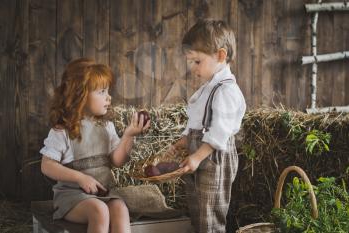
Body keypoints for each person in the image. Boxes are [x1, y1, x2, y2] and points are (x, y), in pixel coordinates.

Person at [40, 58, 150, 233]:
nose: (109, 97)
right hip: (72, 197)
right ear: (80, 95)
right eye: (102, 92)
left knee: (120, 208)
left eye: (108, 91)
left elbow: (117, 160)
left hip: (104, 194)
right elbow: (47, 165)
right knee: (99, 211)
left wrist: (129, 135)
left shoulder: (106, 127)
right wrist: (80, 177)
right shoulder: (62, 131)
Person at [169, 19, 246, 233]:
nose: (193, 68)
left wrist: (197, 156)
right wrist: (184, 140)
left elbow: (219, 132)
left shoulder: (226, 91)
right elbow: (198, 119)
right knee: (197, 209)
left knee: (210, 213)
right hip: (200, 152)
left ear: (221, 56)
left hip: (214, 157)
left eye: (197, 62)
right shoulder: (209, 88)